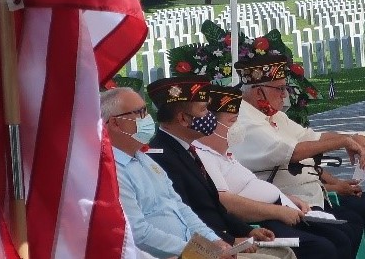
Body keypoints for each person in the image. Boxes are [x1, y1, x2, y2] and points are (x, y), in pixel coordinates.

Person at [230, 52, 365, 259]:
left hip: (316, 196)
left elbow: (312, 137)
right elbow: (291, 152)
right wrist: (343, 142)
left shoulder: (274, 117)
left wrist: (353, 136)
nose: (285, 95)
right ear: (259, 93)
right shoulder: (245, 121)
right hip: (291, 203)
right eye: (281, 89)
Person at [101, 86, 291, 259]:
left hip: (197, 248)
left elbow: (182, 208)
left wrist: (214, 242)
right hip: (172, 254)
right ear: (116, 124)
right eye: (139, 113)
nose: (147, 118)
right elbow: (138, 232)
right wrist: (204, 250)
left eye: (145, 110)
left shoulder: (145, 160)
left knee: (284, 253)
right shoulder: (113, 171)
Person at [195, 84, 358, 259]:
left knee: (341, 233)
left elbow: (253, 184)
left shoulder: (225, 154)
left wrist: (287, 199)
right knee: (320, 247)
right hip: (261, 220)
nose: (237, 127)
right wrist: (278, 210)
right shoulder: (202, 155)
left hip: (283, 208)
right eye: (232, 122)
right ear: (210, 123)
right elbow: (225, 201)